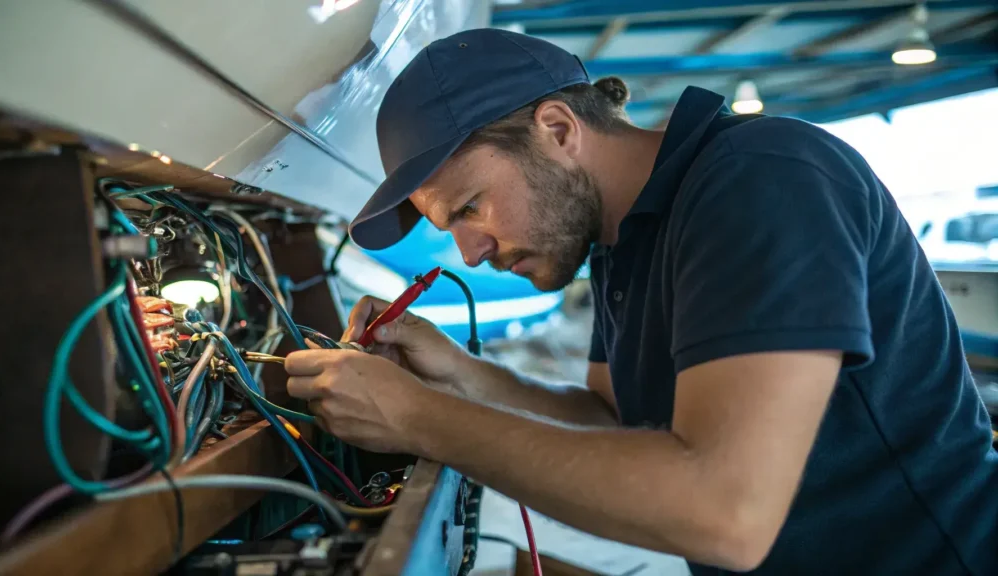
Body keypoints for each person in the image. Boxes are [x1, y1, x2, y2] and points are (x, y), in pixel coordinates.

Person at [284, 28, 997, 574]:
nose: (471, 252)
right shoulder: (620, 241)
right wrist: (458, 376)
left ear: (558, 130)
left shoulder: (761, 181)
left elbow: (726, 511)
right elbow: (614, 418)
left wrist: (417, 416)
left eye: (469, 207)